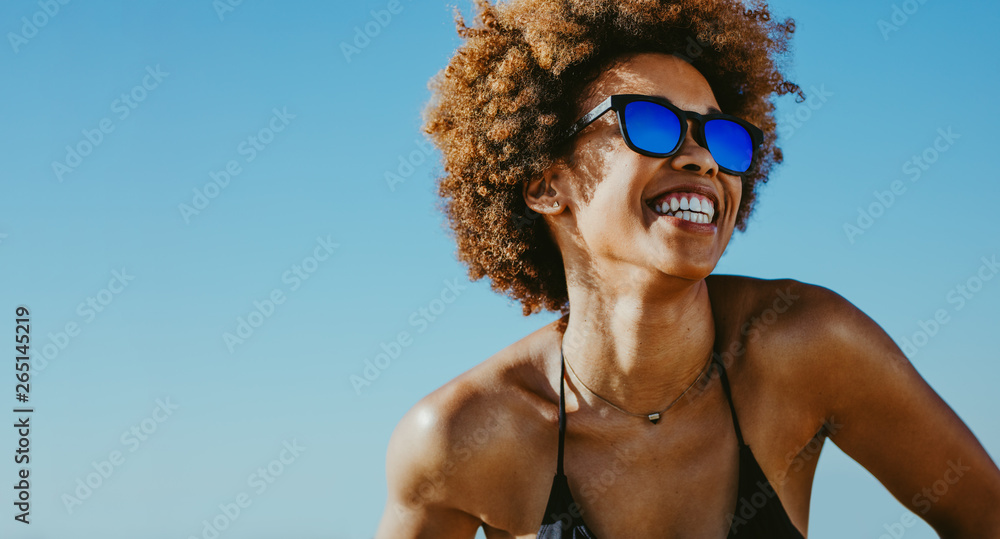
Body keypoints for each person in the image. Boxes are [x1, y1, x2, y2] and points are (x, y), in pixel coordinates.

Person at [375, 0, 1000, 537]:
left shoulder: (805, 345)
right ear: (546, 184)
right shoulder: (461, 437)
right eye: (651, 123)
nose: (701, 158)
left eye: (720, 136)